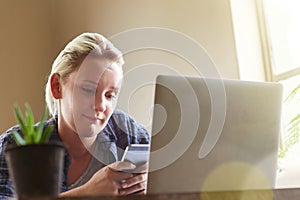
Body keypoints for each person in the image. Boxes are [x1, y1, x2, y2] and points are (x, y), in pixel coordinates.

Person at [0, 32, 149, 198]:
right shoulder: (17, 146)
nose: (100, 105)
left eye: (109, 95)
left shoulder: (128, 133)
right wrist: (86, 193)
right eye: (88, 90)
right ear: (57, 87)